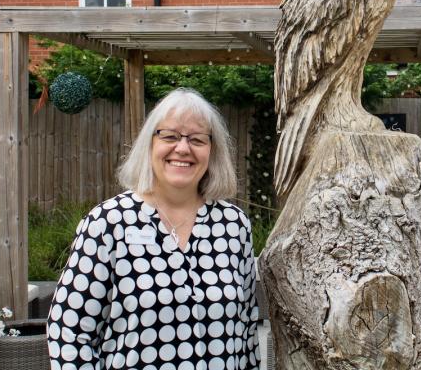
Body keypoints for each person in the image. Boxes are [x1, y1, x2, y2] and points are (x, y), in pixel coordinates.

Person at [47, 88, 261, 370]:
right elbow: (69, 332)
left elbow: (246, 332)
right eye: (170, 136)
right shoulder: (109, 223)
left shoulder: (233, 226)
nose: (183, 148)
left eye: (197, 139)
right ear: (149, 144)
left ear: (213, 150)